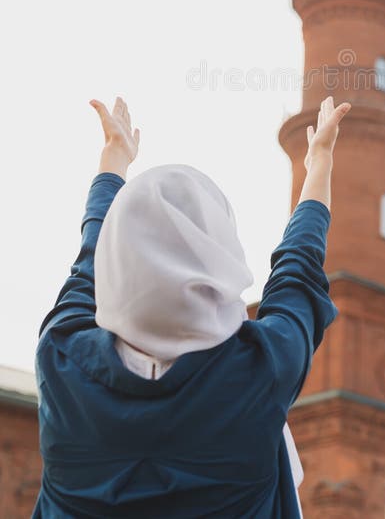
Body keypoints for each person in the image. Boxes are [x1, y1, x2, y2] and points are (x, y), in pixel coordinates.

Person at [33, 94, 351, 518]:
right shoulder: (260, 371)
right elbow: (298, 271)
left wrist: (113, 162)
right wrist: (320, 166)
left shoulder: (61, 359)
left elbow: (90, 261)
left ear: (118, 255)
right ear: (220, 256)